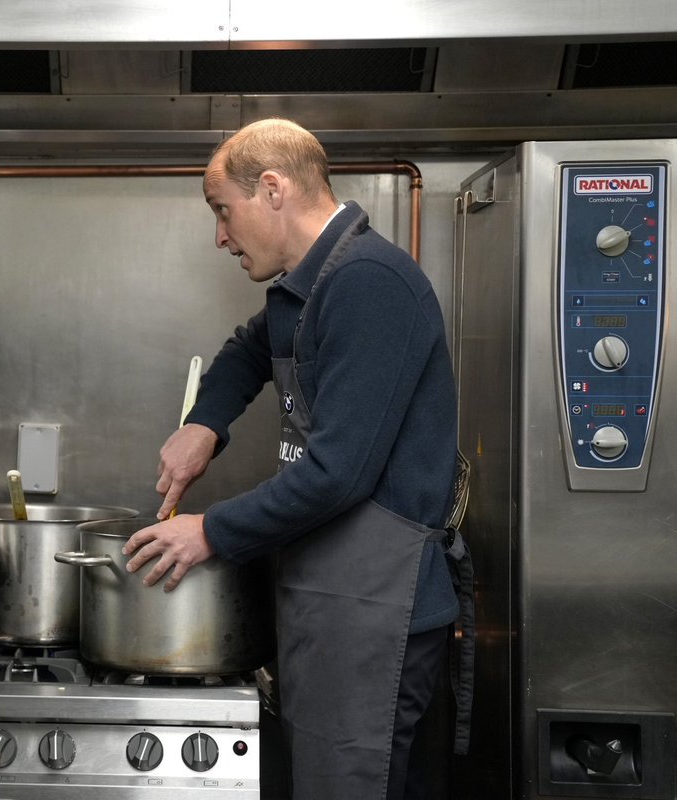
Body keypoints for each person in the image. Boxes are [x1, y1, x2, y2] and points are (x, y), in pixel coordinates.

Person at [123, 117, 460, 800]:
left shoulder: (369, 284)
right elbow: (247, 351)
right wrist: (203, 426)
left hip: (379, 611)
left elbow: (339, 473)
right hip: (332, 600)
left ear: (271, 188)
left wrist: (208, 530)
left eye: (223, 210)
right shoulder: (307, 285)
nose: (219, 236)